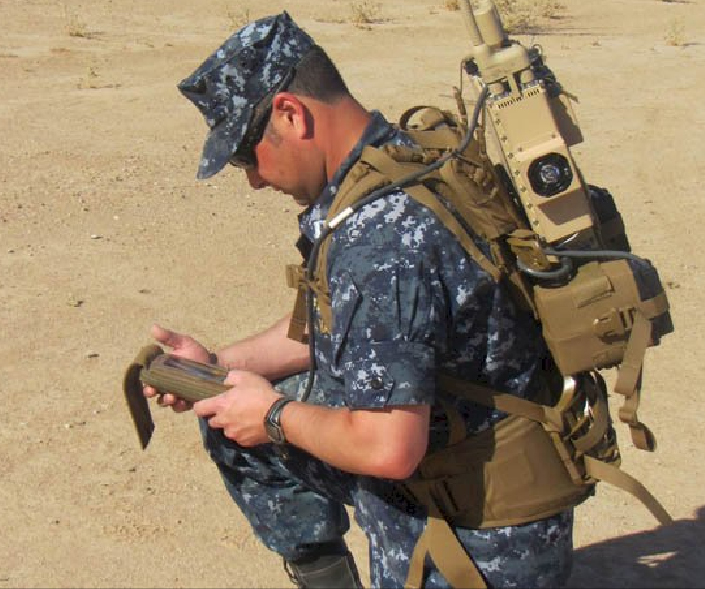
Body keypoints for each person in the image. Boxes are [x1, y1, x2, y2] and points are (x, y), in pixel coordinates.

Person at [143, 11, 575, 589]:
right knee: (228, 415)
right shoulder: (396, 157)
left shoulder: (381, 239)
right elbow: (337, 328)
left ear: (291, 114)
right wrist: (219, 368)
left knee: (267, 419)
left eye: (247, 155)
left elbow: (388, 448)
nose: (252, 179)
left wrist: (271, 415)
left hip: (480, 532)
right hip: (471, 454)